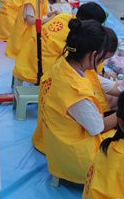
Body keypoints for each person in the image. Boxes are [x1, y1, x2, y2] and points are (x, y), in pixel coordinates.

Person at [33, 20, 118, 184]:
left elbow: (100, 83)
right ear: (93, 55)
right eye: (102, 58)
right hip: (79, 158)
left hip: (57, 143)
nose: (102, 62)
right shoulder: (75, 92)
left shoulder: (63, 64)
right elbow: (98, 127)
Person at [5, 0, 55, 84]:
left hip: (36, 29)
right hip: (26, 33)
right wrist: (48, 19)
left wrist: (52, 13)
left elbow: (43, 12)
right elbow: (30, 20)